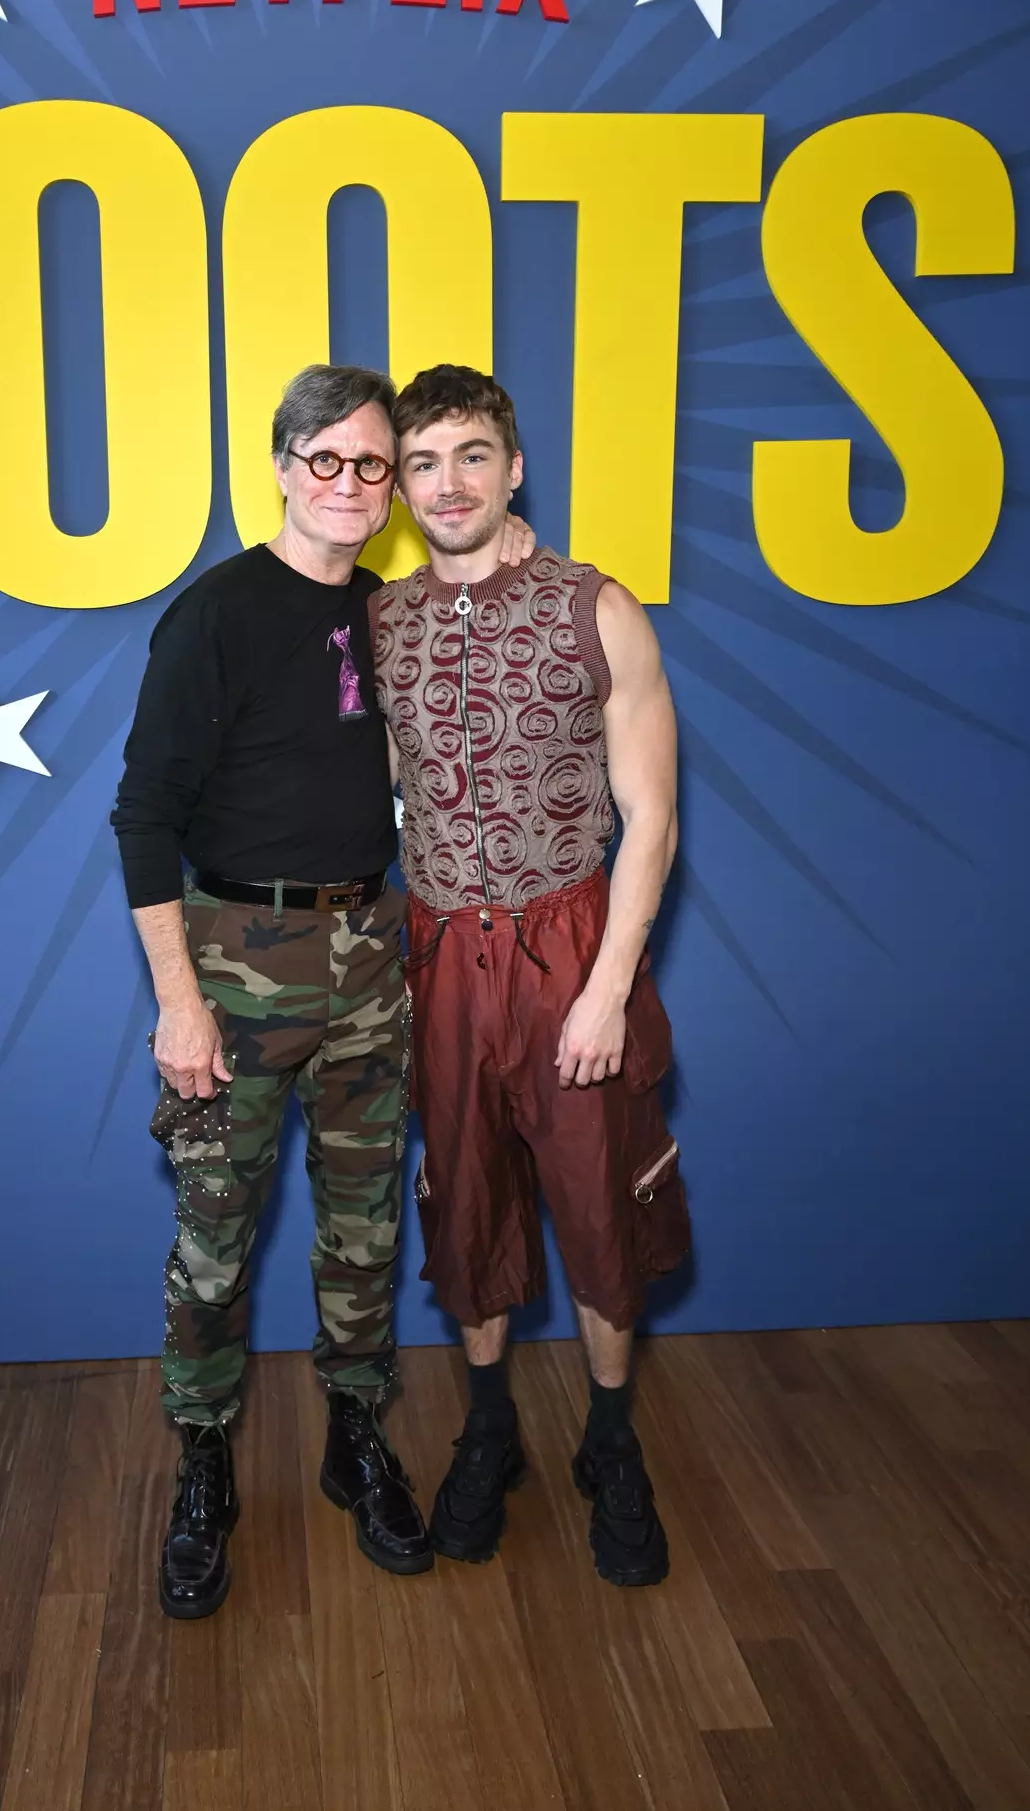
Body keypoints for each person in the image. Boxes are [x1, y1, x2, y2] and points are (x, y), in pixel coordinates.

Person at [112, 363, 532, 1620]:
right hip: (237, 956)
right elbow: (144, 816)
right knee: (214, 1239)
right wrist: (180, 1003)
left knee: (364, 1228)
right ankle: (202, 1466)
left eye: (374, 463)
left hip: (370, 956)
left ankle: (356, 1438)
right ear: (286, 468)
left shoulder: (388, 615)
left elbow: (490, 605)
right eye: (331, 460)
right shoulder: (217, 615)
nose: (353, 484)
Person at [370, 364, 690, 1585]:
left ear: (512, 467)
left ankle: (611, 1440)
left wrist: (608, 986)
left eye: (468, 456)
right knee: (465, 1201)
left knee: (599, 1204)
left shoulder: (596, 608)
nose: (445, 484)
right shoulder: (383, 620)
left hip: (570, 943)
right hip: (442, 948)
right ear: (400, 486)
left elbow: (649, 817)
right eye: (421, 463)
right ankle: (490, 1421)